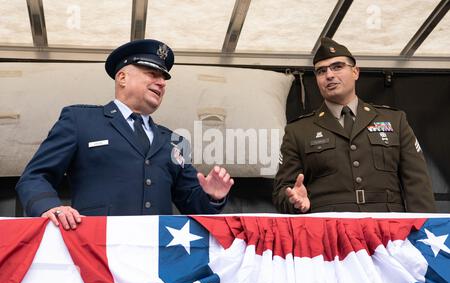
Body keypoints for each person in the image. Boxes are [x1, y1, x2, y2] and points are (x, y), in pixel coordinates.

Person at [16, 39, 234, 229]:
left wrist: (212, 196)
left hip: (156, 254)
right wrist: (50, 207)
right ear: (122, 77)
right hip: (96, 249)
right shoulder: (79, 121)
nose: (162, 82)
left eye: (164, 78)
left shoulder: (175, 142)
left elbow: (193, 205)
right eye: (152, 73)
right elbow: (35, 177)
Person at [272, 37, 436, 214]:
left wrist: (422, 231)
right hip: (329, 231)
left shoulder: (395, 121)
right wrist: (295, 201)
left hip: (387, 230)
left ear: (355, 72)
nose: (329, 75)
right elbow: (282, 192)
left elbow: (417, 184)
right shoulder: (298, 130)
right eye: (321, 71)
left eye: (337, 67)